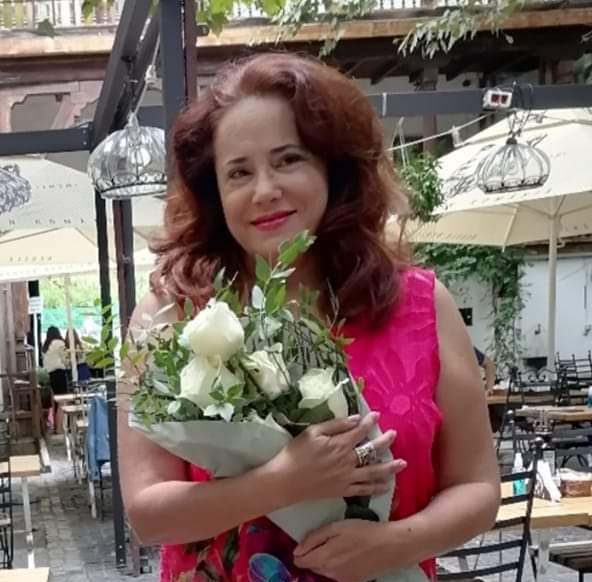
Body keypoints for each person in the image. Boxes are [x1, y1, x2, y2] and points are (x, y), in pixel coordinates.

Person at [119, 53, 500, 582]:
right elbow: (147, 515)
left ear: (333, 167)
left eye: (288, 159)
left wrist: (394, 544)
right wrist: (285, 480)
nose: (264, 190)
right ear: (215, 191)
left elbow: (478, 487)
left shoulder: (420, 305)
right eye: (239, 172)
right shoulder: (171, 314)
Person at [42, 326, 68, 395]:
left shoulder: (46, 345)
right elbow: (64, 357)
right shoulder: (59, 343)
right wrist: (68, 364)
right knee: (62, 395)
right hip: (59, 372)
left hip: (50, 374)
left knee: (55, 395)